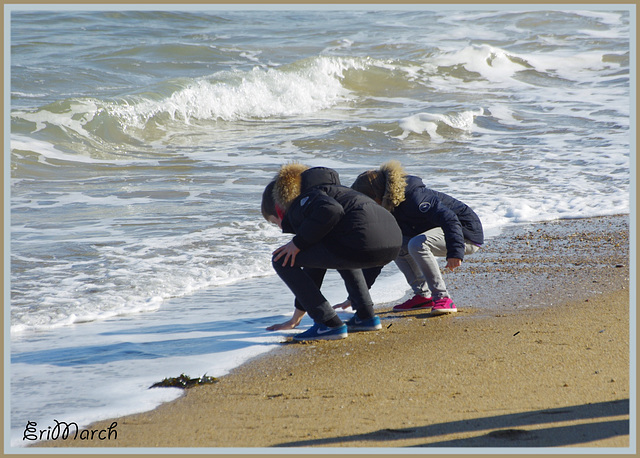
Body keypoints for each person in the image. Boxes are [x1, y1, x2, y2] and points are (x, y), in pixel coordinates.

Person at [261, 163, 402, 341]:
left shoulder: (303, 201)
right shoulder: (335, 190)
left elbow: (331, 209)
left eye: (275, 223)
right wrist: (296, 318)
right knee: (342, 252)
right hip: (393, 241)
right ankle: (366, 317)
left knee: (280, 259)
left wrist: (298, 243)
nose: (280, 228)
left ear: (280, 211)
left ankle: (329, 325)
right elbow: (316, 267)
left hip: (362, 241)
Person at [350, 160, 483, 315]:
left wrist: (455, 252)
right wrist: (357, 294)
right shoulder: (390, 207)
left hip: (466, 234)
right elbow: (381, 255)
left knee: (417, 244)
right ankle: (423, 296)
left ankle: (443, 298)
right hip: (445, 232)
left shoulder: (415, 197)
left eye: (367, 201)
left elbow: (450, 219)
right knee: (395, 245)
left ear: (377, 196)